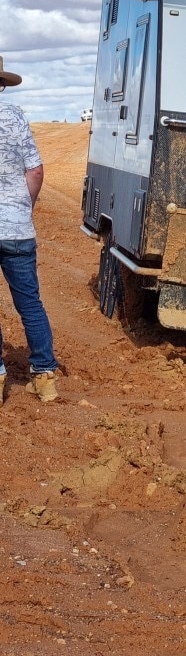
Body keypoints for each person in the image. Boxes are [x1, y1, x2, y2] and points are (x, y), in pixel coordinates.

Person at [0, 56, 59, 403]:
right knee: (30, 304)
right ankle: (45, 376)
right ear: (2, 84)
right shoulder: (14, 115)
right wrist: (24, 208)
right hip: (18, 228)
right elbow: (35, 171)